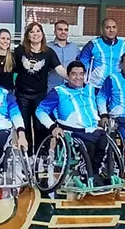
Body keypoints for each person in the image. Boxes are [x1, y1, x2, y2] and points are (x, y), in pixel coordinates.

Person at [36, 61, 120, 189]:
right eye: (74, 74)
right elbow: (40, 111)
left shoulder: (91, 89)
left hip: (93, 129)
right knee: (88, 147)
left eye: (81, 74)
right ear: (68, 76)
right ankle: (86, 174)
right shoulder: (59, 91)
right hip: (73, 131)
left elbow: (104, 99)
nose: (78, 77)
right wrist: (53, 127)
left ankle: (98, 173)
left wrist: (104, 115)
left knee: (106, 142)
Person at [14, 22, 67, 153]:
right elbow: (10, 68)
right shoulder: (20, 51)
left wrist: (74, 78)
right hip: (22, 95)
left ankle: (39, 157)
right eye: (32, 32)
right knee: (24, 127)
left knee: (40, 127)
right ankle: (26, 156)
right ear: (27, 35)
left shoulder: (49, 52)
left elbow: (59, 70)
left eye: (38, 31)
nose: (35, 34)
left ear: (42, 34)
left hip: (40, 95)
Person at [78, 18, 125, 89]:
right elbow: (82, 65)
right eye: (108, 27)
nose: (111, 30)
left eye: (114, 27)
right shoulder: (93, 44)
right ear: (102, 29)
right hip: (96, 86)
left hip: (117, 86)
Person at [47, 20, 80, 91]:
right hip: (51, 87)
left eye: (66, 30)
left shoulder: (75, 47)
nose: (63, 32)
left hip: (71, 88)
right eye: (60, 29)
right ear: (54, 32)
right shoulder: (47, 47)